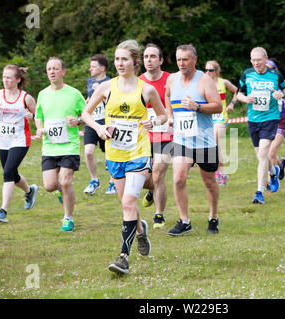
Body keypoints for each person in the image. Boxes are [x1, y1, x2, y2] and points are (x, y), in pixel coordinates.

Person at [82, 40, 167, 275]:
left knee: (129, 202)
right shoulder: (106, 88)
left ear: (135, 63)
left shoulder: (146, 89)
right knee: (126, 203)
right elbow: (85, 114)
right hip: (115, 153)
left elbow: (163, 115)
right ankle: (140, 231)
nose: (120, 63)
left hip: (138, 153)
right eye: (117, 59)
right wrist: (99, 129)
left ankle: (123, 258)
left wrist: (154, 121)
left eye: (124, 60)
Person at [165, 44, 222, 235]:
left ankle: (213, 217)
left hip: (205, 141)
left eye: (185, 59)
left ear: (194, 60)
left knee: (209, 181)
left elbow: (218, 107)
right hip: (182, 140)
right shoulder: (172, 80)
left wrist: (197, 107)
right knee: (178, 178)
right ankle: (184, 221)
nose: (181, 63)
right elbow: (167, 96)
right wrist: (170, 115)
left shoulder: (204, 81)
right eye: (179, 59)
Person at [35, 57, 86, 232]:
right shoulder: (42, 94)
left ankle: (68, 218)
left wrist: (78, 121)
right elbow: (39, 116)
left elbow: (86, 115)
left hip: (69, 146)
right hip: (49, 146)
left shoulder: (74, 94)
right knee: (49, 186)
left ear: (63, 71)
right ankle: (60, 191)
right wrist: (39, 128)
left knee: (65, 181)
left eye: (55, 68)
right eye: (49, 69)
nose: (52, 72)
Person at [0, 64, 39, 223]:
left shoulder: (26, 98)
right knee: (12, 174)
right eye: (3, 77)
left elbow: (39, 118)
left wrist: (32, 118)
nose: (5, 80)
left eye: (8, 77)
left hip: (20, 139)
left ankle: (3, 211)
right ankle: (29, 191)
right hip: (3, 140)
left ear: (18, 79)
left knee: (7, 172)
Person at [236, 47, 285, 204]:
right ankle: (274, 173)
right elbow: (239, 93)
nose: (256, 63)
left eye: (259, 60)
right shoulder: (247, 74)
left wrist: (282, 94)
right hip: (253, 120)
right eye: (253, 60)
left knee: (262, 155)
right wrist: (245, 99)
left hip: (270, 119)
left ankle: (259, 192)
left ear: (265, 59)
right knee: (261, 156)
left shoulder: (275, 75)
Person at [138, 43, 172, 229]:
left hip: (165, 133)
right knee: (143, 177)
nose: (149, 60)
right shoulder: (138, 82)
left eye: (152, 56)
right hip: (143, 135)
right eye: (146, 57)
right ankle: (152, 190)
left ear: (160, 60)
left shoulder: (170, 80)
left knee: (158, 172)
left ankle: (159, 215)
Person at [83, 54, 116, 195]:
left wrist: (101, 92)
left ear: (102, 68)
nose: (90, 69)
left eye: (93, 66)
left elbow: (113, 103)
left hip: (106, 121)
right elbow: (90, 99)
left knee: (109, 154)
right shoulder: (89, 82)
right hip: (92, 120)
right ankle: (94, 180)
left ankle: (112, 183)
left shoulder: (111, 82)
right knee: (88, 152)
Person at [204, 60, 238, 186]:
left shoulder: (223, 82)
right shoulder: (202, 83)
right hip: (208, 118)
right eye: (206, 70)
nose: (208, 72)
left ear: (217, 71)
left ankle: (221, 172)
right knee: (214, 145)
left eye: (211, 70)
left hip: (221, 117)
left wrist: (232, 104)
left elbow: (237, 91)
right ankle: (221, 172)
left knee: (215, 141)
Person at [265, 58, 285, 181]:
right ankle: (280, 165)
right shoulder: (263, 82)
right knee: (267, 154)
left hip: (281, 119)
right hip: (267, 119)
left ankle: (271, 180)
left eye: (271, 69)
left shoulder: (284, 82)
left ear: (276, 70)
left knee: (271, 153)